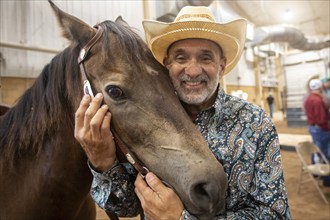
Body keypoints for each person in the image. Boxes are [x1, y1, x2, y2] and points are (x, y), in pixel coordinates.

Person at [75, 6, 291, 219]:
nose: (193, 70)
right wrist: (102, 162)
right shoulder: (148, 117)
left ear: (222, 65)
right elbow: (127, 206)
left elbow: (275, 215)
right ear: (167, 63)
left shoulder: (256, 122)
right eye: (181, 58)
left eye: (206, 58)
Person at [304, 79, 330, 161]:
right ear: (320, 87)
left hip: (313, 127)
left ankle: (315, 167)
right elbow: (321, 119)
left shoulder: (308, 99)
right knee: (323, 151)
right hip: (320, 129)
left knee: (316, 148)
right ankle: (324, 172)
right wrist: (327, 129)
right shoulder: (317, 101)